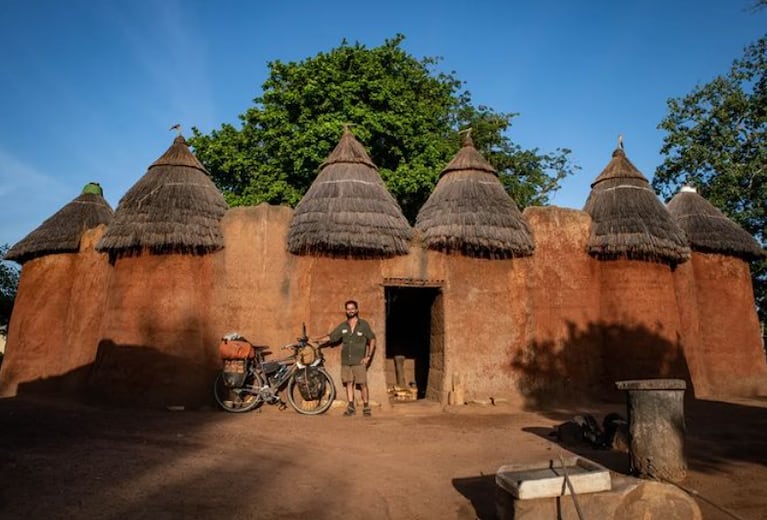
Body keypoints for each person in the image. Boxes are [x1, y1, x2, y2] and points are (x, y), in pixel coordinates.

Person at [313, 300, 376, 417]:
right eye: (348, 309)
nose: (350, 311)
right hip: (346, 361)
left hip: (359, 361)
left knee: (362, 384)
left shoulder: (364, 325)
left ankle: (366, 407)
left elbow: (372, 339)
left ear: (356, 310)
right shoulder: (343, 326)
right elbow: (331, 337)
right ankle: (351, 406)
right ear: (346, 311)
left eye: (352, 308)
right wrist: (317, 340)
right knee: (348, 383)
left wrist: (368, 356)